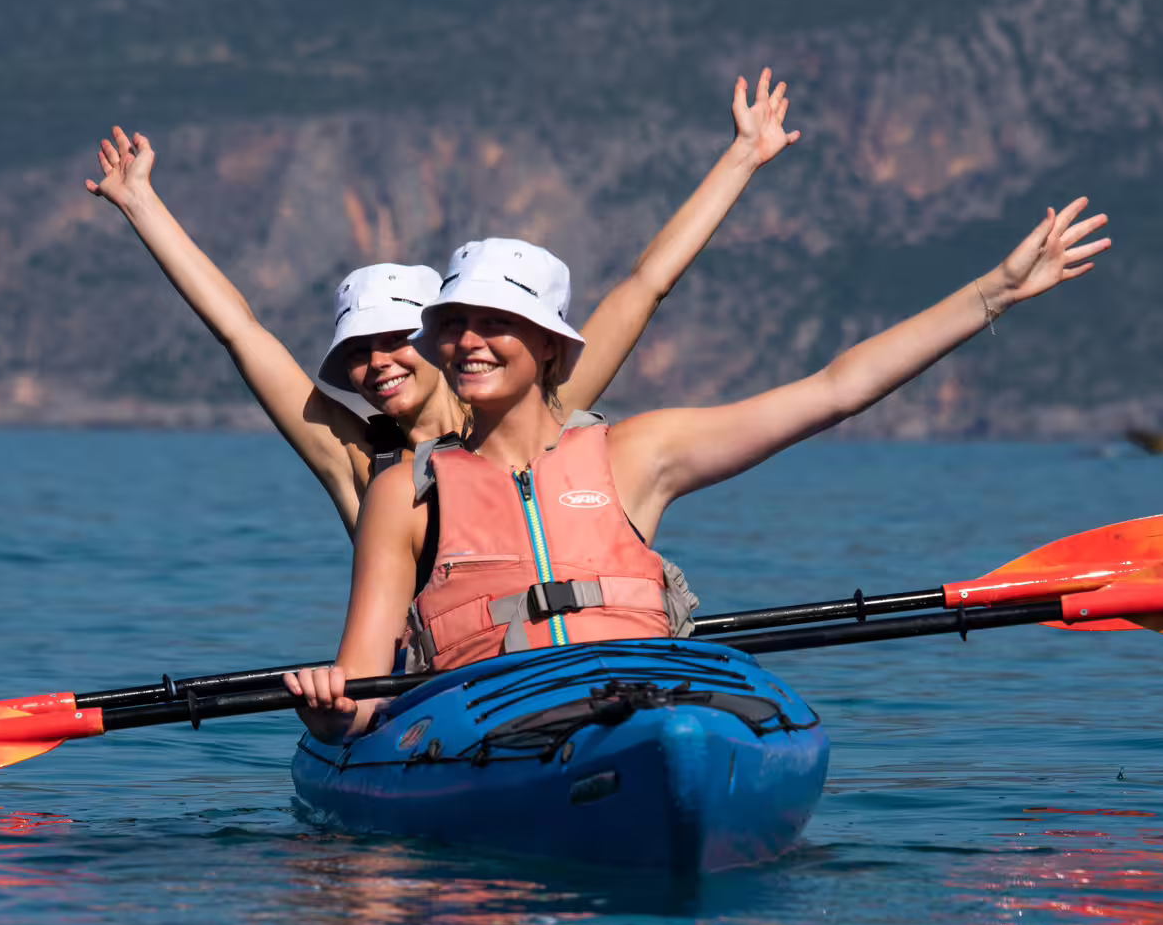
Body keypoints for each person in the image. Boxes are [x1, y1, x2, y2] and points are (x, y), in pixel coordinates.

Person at [284, 197, 1113, 738]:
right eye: (453, 324)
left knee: (671, 738)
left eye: (494, 322)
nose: (468, 341)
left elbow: (835, 390)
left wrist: (992, 295)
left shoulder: (636, 454)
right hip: (493, 730)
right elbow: (361, 700)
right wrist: (329, 716)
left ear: (546, 343)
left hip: (645, 709)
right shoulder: (409, 492)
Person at [84, 71, 802, 535]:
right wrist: (141, 204)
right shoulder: (358, 461)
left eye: (393, 340)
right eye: (355, 353)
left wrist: (741, 158)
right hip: (437, 705)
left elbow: (646, 285)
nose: (375, 364)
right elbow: (240, 332)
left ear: (438, 340)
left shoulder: (542, 407)